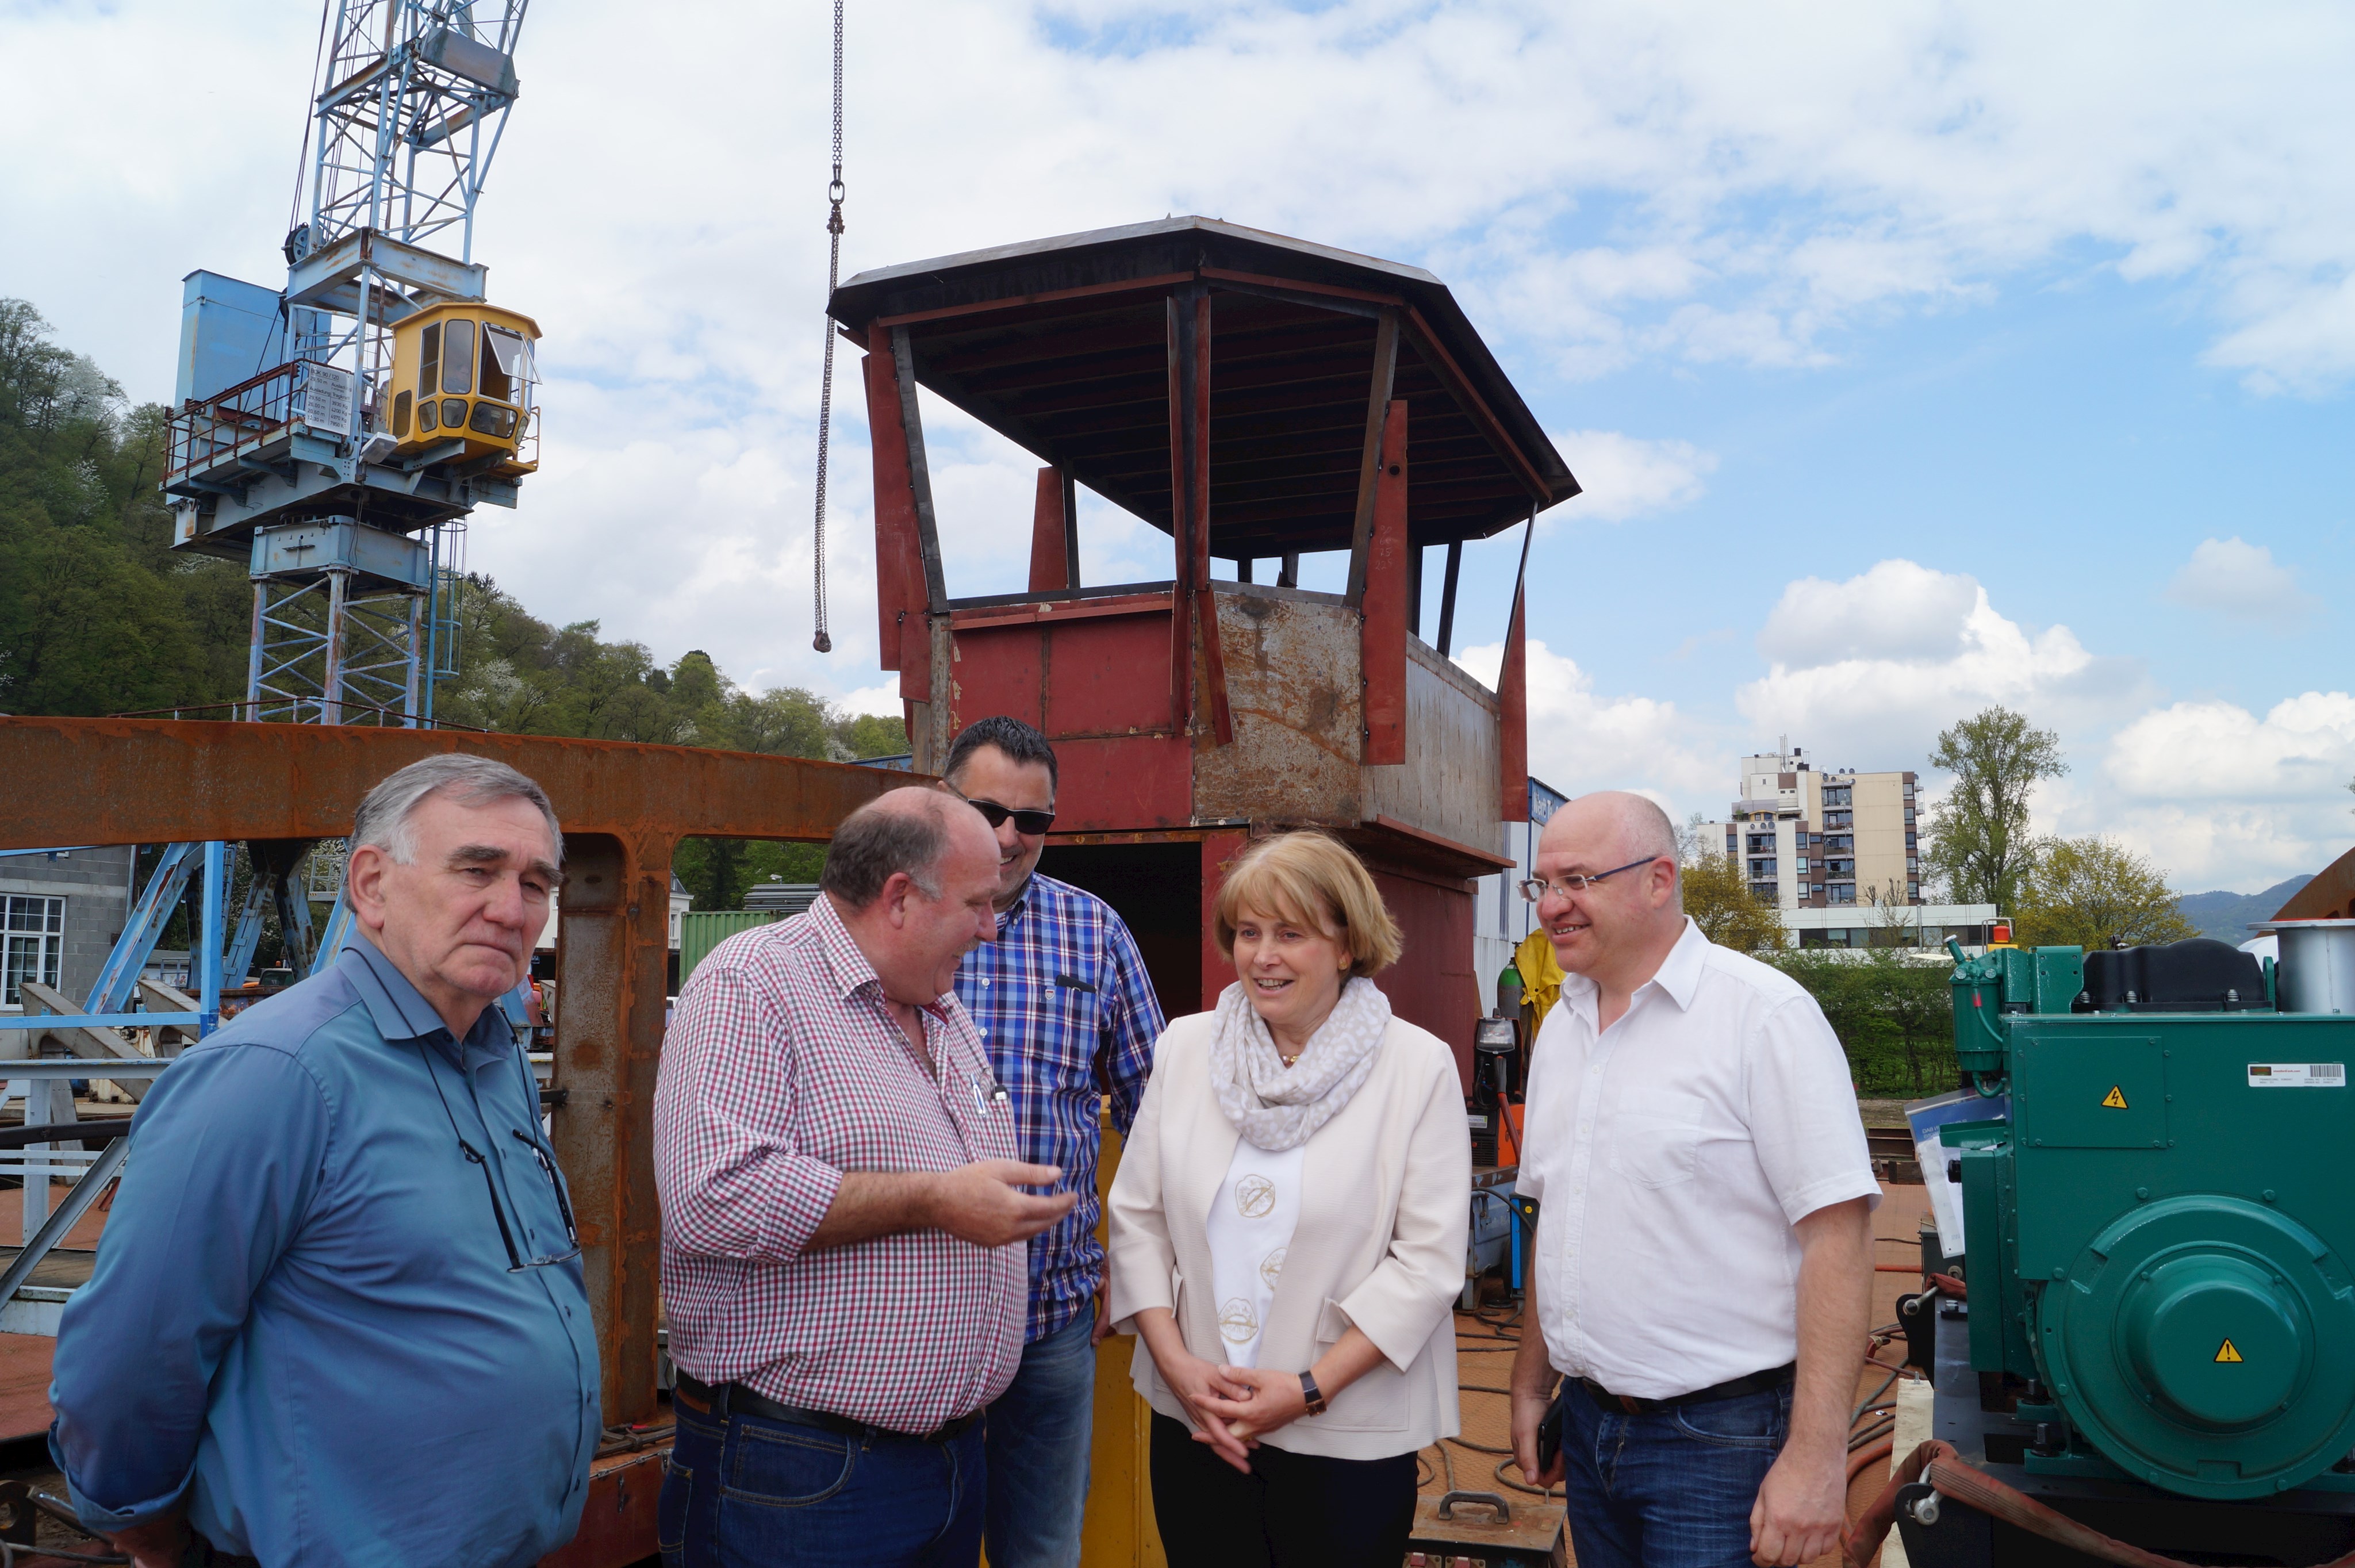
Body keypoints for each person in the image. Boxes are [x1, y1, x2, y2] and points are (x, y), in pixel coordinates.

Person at [50, 754, 597, 1568]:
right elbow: (134, 1348)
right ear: (372, 885)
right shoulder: (278, 1071)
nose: (510, 908)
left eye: (535, 883)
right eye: (476, 869)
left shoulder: (492, 1056)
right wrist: (145, 1526)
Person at [653, 788, 1076, 1568]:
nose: (992, 926)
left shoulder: (939, 1003)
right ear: (900, 897)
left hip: (947, 1462)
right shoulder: (754, 983)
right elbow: (710, 1195)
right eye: (979, 902)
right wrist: (934, 1200)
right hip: (804, 1469)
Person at [1505, 792, 1877, 1568]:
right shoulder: (1563, 1027)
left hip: (1720, 1440)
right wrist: (1532, 1384)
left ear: (1659, 878)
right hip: (1589, 1422)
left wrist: (1816, 1457)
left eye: (1577, 879)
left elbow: (1837, 1239)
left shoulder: (1764, 1016)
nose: (1551, 906)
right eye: (1540, 884)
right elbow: (1556, 1217)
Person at [1106, 830, 1469, 1568]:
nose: (1261, 956)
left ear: (1346, 946)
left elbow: (1426, 1264)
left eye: (1290, 934)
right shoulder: (1185, 1046)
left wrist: (1304, 1391)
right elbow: (1137, 1218)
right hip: (1198, 1422)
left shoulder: (1416, 1066)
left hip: (1346, 1434)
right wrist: (1177, 1367)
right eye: (1247, 933)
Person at [938, 716, 1166, 1568]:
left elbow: (1160, 1115)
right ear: (941, 797)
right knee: (918, 1543)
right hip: (910, 1315)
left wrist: (1136, 1257)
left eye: (1032, 820)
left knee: (1041, 1548)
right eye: (987, 808)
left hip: (1051, 1314)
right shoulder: (886, 920)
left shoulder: (1094, 930)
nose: (1008, 835)